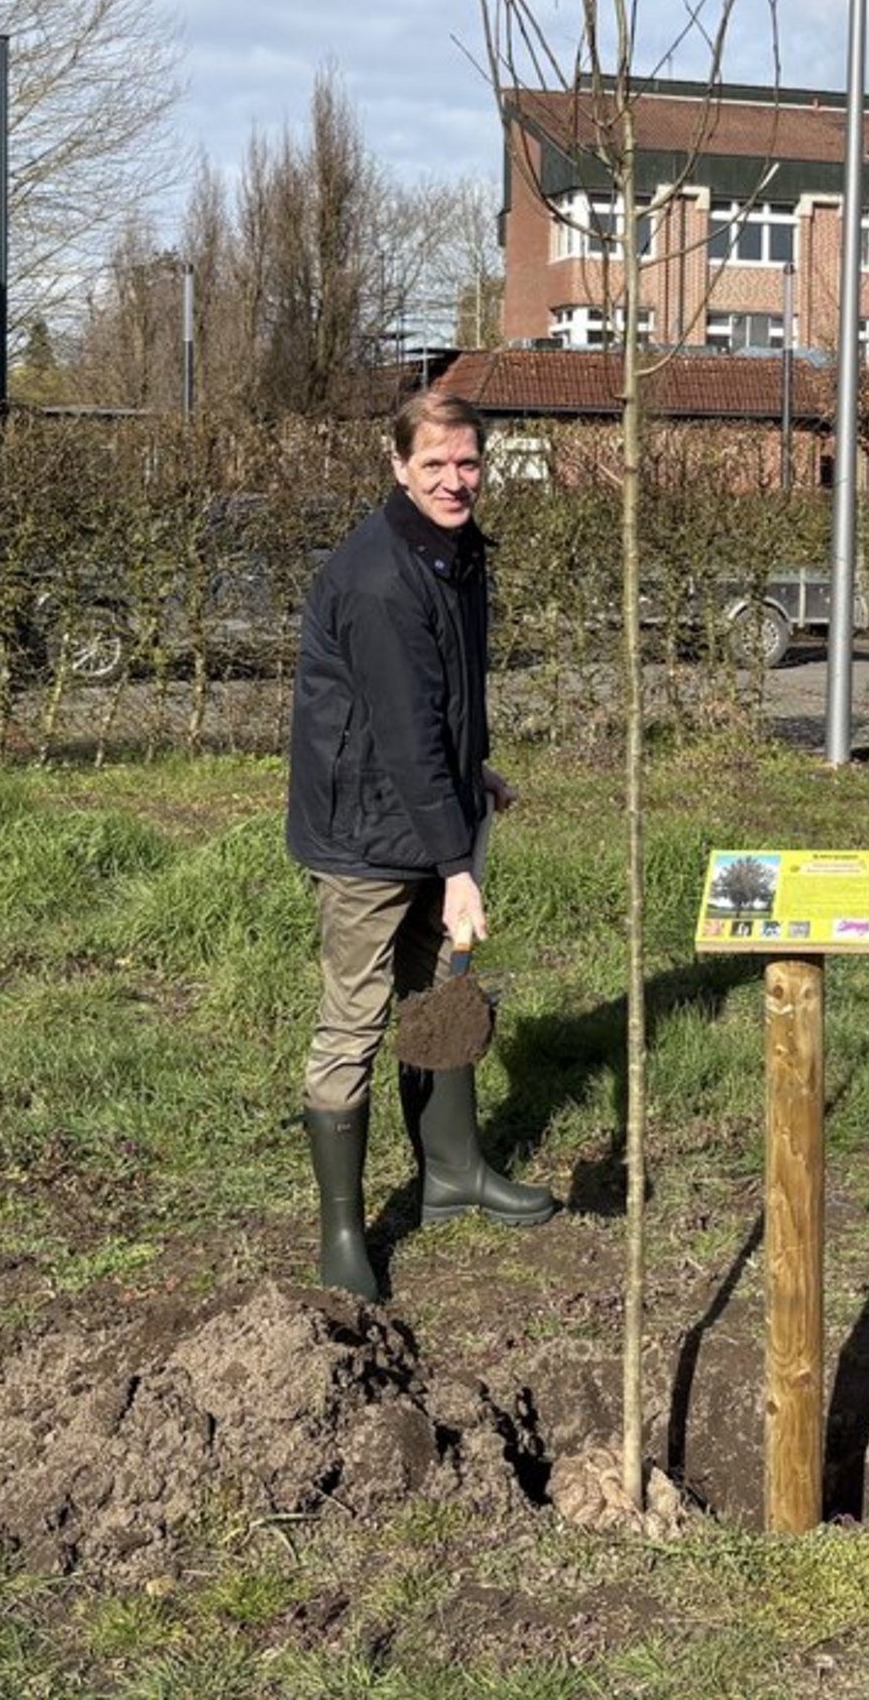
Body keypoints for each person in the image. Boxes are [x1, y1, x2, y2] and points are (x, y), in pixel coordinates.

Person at [287, 390, 557, 1301]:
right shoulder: (378, 576)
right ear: (397, 464)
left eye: (468, 463)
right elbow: (400, 732)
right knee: (356, 1021)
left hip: (426, 807)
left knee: (438, 996)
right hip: (364, 831)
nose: (454, 480)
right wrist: (455, 868)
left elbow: (447, 698)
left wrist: (473, 768)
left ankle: (452, 1173)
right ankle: (343, 1233)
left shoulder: (454, 552)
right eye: (434, 465)